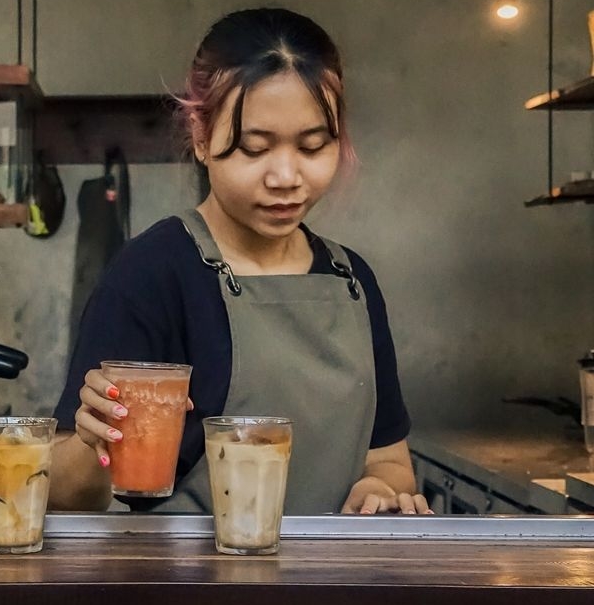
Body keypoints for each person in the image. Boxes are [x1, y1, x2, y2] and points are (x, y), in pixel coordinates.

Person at [47, 7, 431, 516]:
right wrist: (89, 445)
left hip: (331, 586)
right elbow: (65, 498)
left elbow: (388, 460)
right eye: (255, 149)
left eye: (313, 146)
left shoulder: (351, 281)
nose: (286, 176)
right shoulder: (152, 276)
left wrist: (378, 490)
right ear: (202, 138)